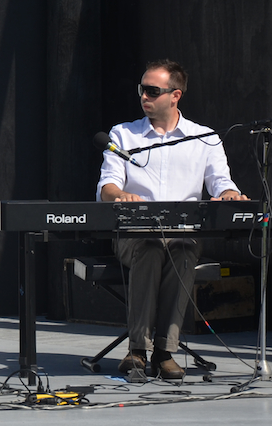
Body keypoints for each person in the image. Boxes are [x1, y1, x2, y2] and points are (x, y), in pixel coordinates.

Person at [96, 59, 247, 379]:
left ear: (175, 95)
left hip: (182, 234)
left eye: (152, 91)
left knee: (180, 248)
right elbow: (106, 186)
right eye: (142, 90)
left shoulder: (204, 138)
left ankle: (164, 351)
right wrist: (120, 195)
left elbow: (222, 183)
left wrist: (231, 195)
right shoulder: (123, 134)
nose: (144, 97)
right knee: (150, 244)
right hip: (133, 235)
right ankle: (138, 350)